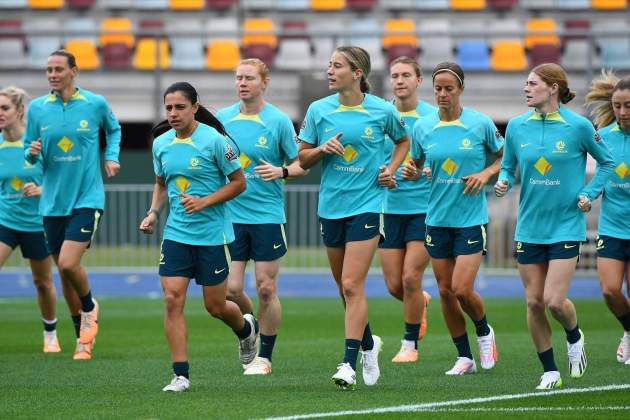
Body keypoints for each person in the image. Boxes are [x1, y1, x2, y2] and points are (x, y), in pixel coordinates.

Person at [495, 63, 614, 389]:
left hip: (565, 225)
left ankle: (574, 338)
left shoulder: (578, 126)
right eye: (526, 83)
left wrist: (589, 194)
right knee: (533, 302)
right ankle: (549, 370)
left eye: (532, 83)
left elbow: (607, 164)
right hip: (529, 227)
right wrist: (504, 181)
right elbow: (507, 167)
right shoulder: (517, 127)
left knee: (554, 301)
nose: (526, 88)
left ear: (553, 87)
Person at [298, 46, 409, 390]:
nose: (329, 71)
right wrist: (321, 149)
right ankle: (369, 343)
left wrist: (390, 169)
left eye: (336, 66)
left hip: (368, 205)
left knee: (351, 284)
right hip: (331, 207)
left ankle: (347, 364)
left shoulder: (381, 110)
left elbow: (403, 141)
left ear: (357, 72)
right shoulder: (318, 110)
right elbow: (301, 159)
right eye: (329, 65)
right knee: (344, 290)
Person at [139, 81, 260, 392]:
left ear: (195, 107)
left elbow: (239, 183)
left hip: (212, 236)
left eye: (180, 107)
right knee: (171, 300)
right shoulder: (161, 144)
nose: (173, 113)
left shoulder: (216, 142)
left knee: (216, 307)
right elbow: (162, 183)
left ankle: (246, 329)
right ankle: (180, 375)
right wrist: (153, 213)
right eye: (168, 108)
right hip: (177, 234)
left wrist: (204, 201)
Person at [24, 50, 122, 360]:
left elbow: (115, 129)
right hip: (52, 202)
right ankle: (83, 338)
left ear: (73, 72)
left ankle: (90, 307)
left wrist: (112, 157)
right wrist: (32, 152)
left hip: (87, 198)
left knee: (68, 263)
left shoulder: (94, 104)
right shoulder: (38, 109)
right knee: (65, 274)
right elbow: (28, 150)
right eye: (48, 69)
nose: (52, 74)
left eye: (58, 69)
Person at [409, 62, 502, 376]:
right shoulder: (422, 127)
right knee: (446, 291)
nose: (443, 94)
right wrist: (409, 171)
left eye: (449, 88)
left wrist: (485, 173)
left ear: (461, 89)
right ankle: (464, 357)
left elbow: (505, 157)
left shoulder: (480, 124)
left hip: (470, 219)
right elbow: (415, 163)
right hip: (436, 219)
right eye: (438, 88)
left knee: (462, 288)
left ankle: (484, 331)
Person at [217, 58, 307, 376]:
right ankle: (249, 326)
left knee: (266, 288)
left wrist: (281, 170)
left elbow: (301, 163)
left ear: (263, 83)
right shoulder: (221, 120)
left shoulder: (278, 121)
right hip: (230, 216)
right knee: (229, 289)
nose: (242, 82)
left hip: (267, 216)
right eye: (238, 77)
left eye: (249, 78)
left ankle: (264, 357)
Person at [378, 57, 436, 363]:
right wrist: (381, 174)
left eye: (405, 75)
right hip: (389, 209)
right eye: (394, 75)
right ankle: (420, 303)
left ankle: (409, 345)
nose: (399, 81)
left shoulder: (433, 116)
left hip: (425, 209)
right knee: (393, 285)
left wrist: (428, 172)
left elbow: (443, 157)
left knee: (411, 278)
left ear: (418, 80)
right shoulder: (381, 114)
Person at [0, 86, 59, 353]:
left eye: (5, 108)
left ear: (20, 111)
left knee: (42, 282)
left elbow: (61, 180)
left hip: (37, 224)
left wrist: (42, 189)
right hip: (5, 221)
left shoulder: (37, 144)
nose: (0, 114)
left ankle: (50, 332)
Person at [584, 70, 630, 365]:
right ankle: (629, 330)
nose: (623, 112)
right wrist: (586, 195)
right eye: (617, 106)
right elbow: (595, 178)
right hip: (612, 227)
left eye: (628, 106)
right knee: (610, 290)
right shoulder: (602, 138)